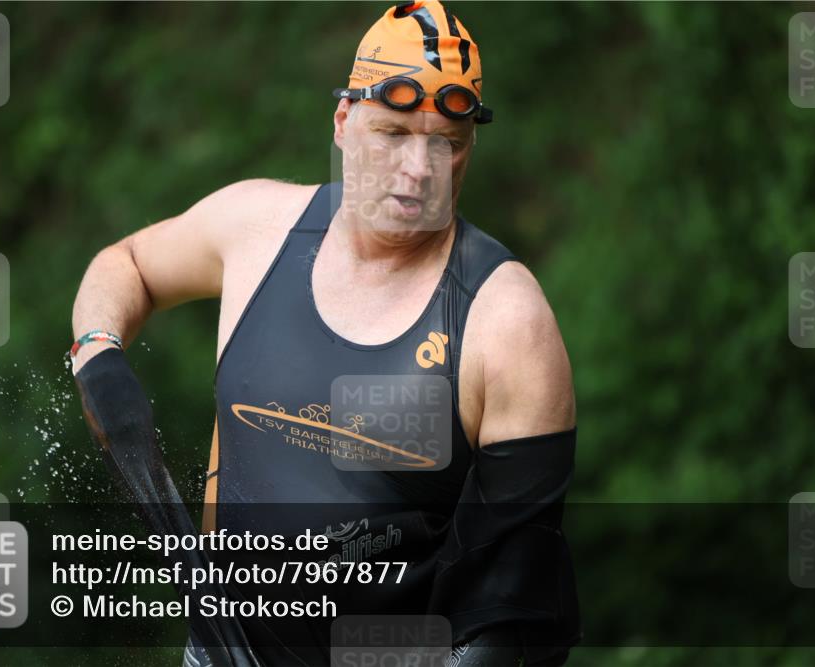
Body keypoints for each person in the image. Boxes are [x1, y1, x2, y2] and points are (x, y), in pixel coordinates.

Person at [71, 2, 581, 665]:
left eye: (447, 143)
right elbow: (127, 265)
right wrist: (98, 350)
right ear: (343, 121)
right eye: (393, 133)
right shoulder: (256, 230)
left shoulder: (506, 322)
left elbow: (514, 621)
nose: (420, 168)